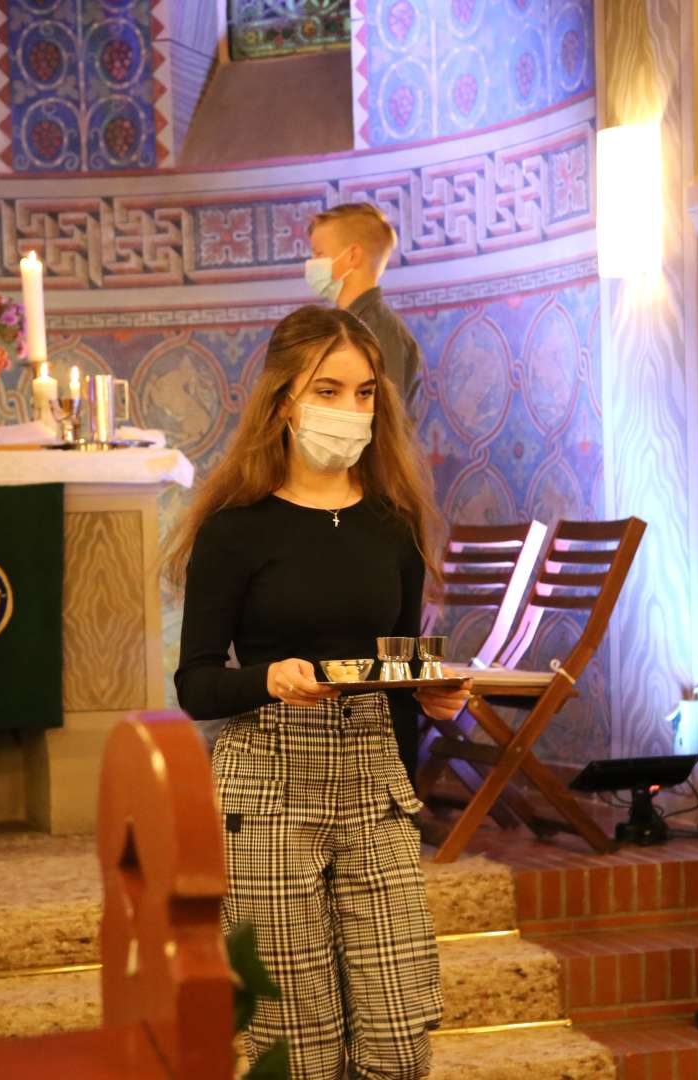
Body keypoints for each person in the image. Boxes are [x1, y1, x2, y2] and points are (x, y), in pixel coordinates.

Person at [169, 305, 466, 1080]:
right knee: (297, 1044)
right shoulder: (235, 530)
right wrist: (266, 679)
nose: (350, 409)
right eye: (328, 391)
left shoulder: (393, 525)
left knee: (400, 1036)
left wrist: (432, 695)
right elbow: (196, 683)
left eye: (365, 393)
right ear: (283, 401)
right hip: (266, 785)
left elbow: (396, 664)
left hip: (373, 779)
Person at [307, 202, 424, 404]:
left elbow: (385, 415)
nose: (311, 263)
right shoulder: (340, 325)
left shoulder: (380, 331)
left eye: (319, 253)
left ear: (352, 256)